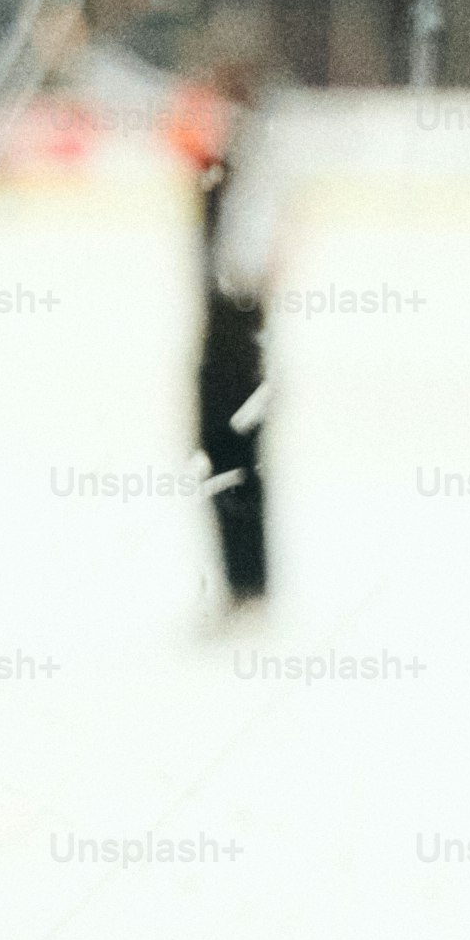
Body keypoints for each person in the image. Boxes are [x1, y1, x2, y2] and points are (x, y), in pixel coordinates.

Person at [168, 37, 283, 616]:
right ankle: (246, 583)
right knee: (230, 459)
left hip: (235, 341)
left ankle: (247, 585)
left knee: (228, 456)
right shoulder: (247, 158)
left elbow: (244, 269)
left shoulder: (248, 164)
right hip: (238, 339)